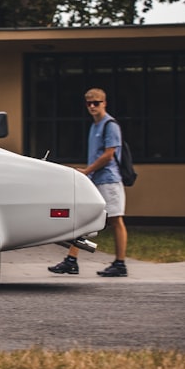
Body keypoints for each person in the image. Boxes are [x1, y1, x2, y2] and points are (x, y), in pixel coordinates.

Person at [49, 88, 129, 277]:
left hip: (109, 181)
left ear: (104, 103)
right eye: (89, 103)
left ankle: (120, 264)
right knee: (83, 218)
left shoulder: (110, 125)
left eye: (96, 103)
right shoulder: (95, 126)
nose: (92, 106)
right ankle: (71, 261)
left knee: (116, 220)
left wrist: (87, 171)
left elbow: (109, 155)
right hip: (96, 180)